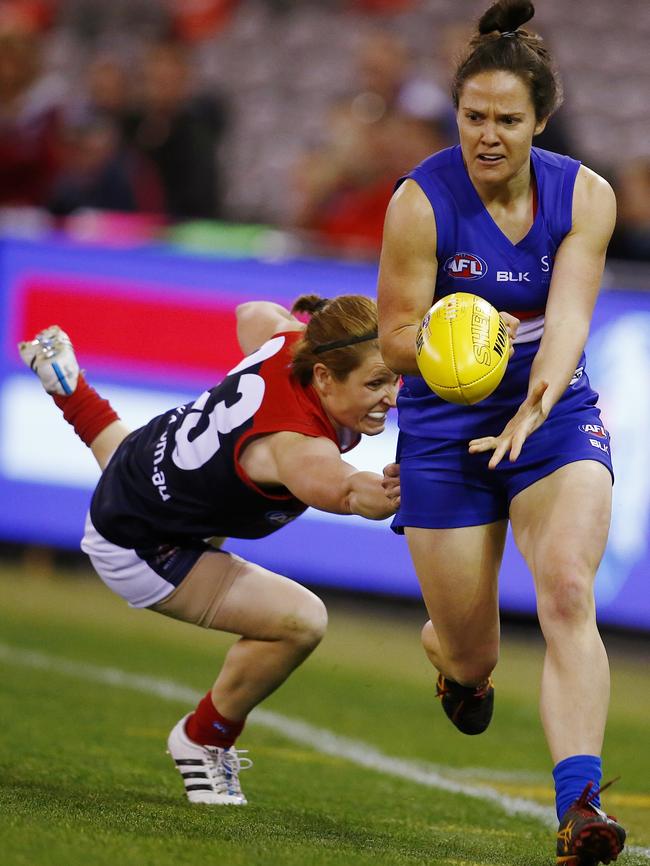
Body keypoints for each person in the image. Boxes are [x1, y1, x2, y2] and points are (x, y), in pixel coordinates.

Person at [376, 2, 625, 864]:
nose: (488, 136)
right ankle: (453, 663)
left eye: (507, 121)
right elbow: (395, 338)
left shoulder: (584, 195)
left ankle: (581, 806)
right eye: (473, 117)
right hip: (446, 427)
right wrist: (446, 355)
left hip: (550, 418)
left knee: (565, 591)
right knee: (475, 655)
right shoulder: (420, 201)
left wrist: (535, 401)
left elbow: (568, 321)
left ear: (541, 121)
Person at [19, 294, 400, 806]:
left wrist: (309, 325)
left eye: (394, 378)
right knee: (300, 621)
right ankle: (204, 739)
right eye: (376, 383)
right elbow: (355, 492)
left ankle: (70, 389)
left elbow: (251, 312)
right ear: (325, 378)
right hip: (142, 545)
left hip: (149, 462)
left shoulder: (289, 342)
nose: (392, 397)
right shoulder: (297, 447)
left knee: (145, 476)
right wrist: (414, 484)